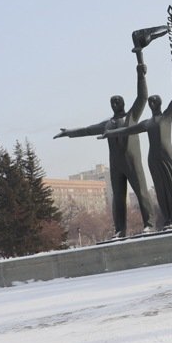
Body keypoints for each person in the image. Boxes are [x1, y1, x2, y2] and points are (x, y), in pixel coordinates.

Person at [54, 64, 155, 237]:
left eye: (117, 101)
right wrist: (69, 132)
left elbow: (142, 97)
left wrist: (141, 76)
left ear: (123, 103)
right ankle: (120, 230)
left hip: (132, 161)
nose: (115, 103)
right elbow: (87, 130)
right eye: (112, 102)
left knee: (141, 192)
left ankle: (150, 224)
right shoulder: (107, 124)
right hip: (116, 164)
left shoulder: (131, 117)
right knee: (118, 197)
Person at [100, 65, 172, 229]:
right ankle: (169, 220)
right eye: (150, 102)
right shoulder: (146, 123)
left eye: (154, 100)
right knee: (161, 191)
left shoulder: (166, 117)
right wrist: (109, 133)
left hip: (167, 156)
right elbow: (128, 129)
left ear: (160, 102)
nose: (152, 103)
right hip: (153, 159)